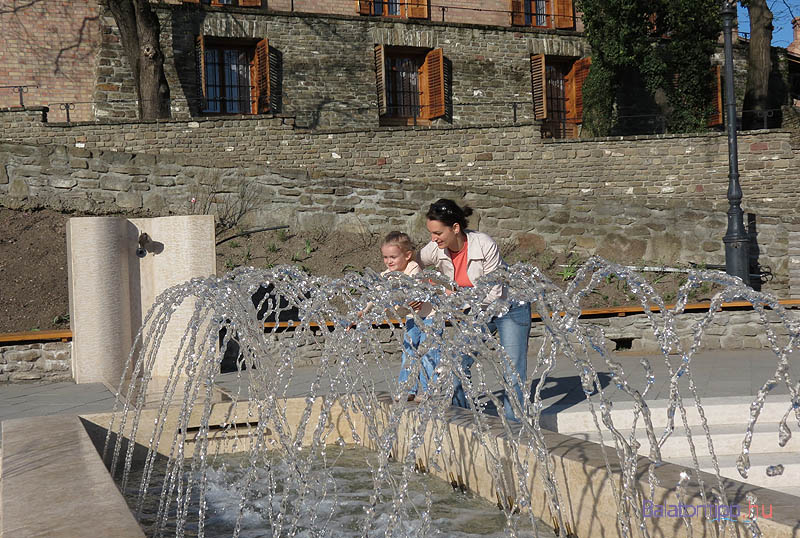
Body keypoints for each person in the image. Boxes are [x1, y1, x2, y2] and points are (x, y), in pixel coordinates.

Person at [418, 199, 531, 421]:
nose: (433, 238)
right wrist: (427, 287)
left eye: (438, 233)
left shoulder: (483, 244)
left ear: (455, 228)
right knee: (457, 363)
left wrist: (455, 299)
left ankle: (515, 428)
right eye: (431, 233)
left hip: (510, 305)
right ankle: (463, 421)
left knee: (512, 368)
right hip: (477, 307)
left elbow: (495, 292)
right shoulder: (435, 249)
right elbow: (413, 265)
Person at [378, 232, 438, 402]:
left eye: (393, 257)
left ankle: (428, 390)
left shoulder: (413, 268)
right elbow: (376, 295)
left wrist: (416, 298)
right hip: (414, 318)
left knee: (428, 352)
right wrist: (362, 312)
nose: (389, 261)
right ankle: (407, 388)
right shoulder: (387, 275)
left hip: (431, 316)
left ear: (407, 255)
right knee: (408, 351)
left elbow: (417, 287)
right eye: (385, 257)